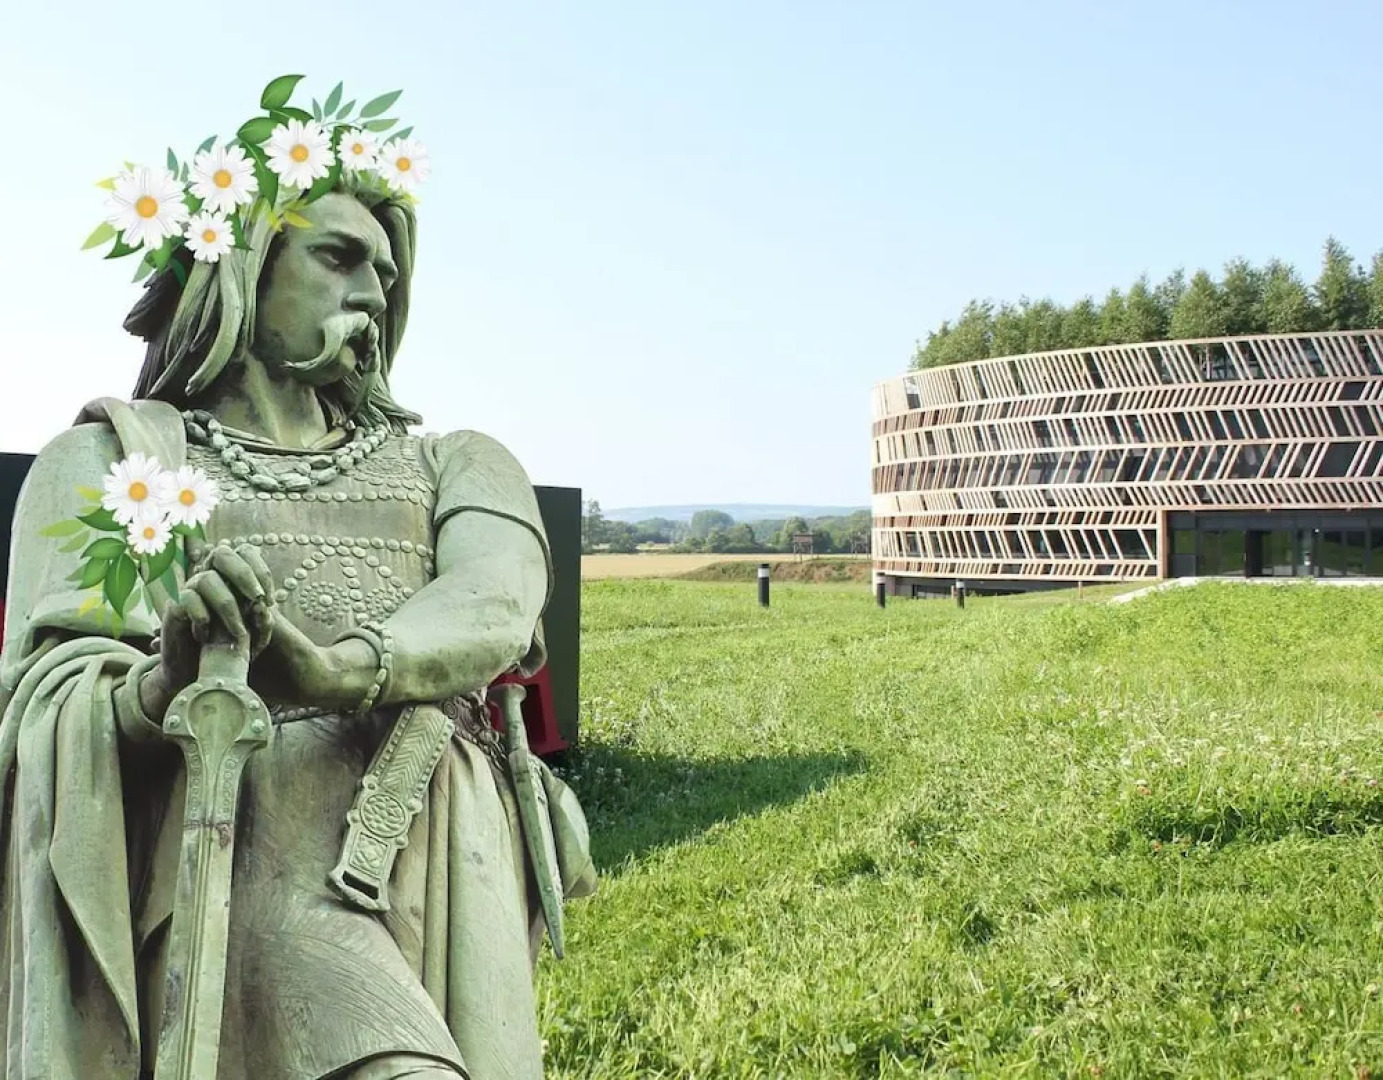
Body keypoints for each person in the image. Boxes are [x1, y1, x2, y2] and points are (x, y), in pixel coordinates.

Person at [0, 161, 594, 1077]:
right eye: (339, 257)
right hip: (232, 868)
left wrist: (329, 672)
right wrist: (167, 683)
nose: (371, 294)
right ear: (238, 266)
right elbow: (51, 696)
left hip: (434, 856)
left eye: (387, 276)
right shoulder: (104, 461)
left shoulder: (459, 464)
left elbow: (495, 600)